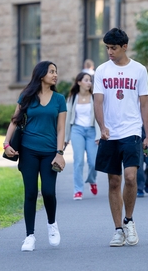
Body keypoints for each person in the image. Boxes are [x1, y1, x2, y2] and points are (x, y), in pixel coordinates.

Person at [93, 28, 148, 247]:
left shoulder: (139, 70)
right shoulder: (101, 70)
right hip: (110, 134)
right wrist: (102, 127)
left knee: (129, 177)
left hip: (132, 131)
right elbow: (97, 101)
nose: (109, 51)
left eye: (113, 48)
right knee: (113, 181)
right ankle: (118, 229)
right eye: (107, 47)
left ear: (124, 47)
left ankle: (129, 220)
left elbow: (144, 104)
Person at [3, 61, 67, 252]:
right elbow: (15, 121)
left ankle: (52, 224)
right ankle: (29, 235)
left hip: (49, 152)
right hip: (28, 150)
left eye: (56, 71)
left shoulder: (59, 99)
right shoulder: (26, 96)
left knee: (48, 192)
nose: (55, 75)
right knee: (30, 193)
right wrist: (6, 144)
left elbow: (61, 128)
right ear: (41, 75)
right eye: (51, 71)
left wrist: (60, 153)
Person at [65, 72, 101, 200]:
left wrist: (99, 135)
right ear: (79, 82)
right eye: (86, 80)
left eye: (90, 80)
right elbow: (67, 118)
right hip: (77, 131)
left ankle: (92, 180)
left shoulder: (94, 97)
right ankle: (78, 190)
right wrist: (65, 138)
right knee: (78, 161)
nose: (89, 83)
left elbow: (99, 117)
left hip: (92, 132)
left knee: (93, 162)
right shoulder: (72, 98)